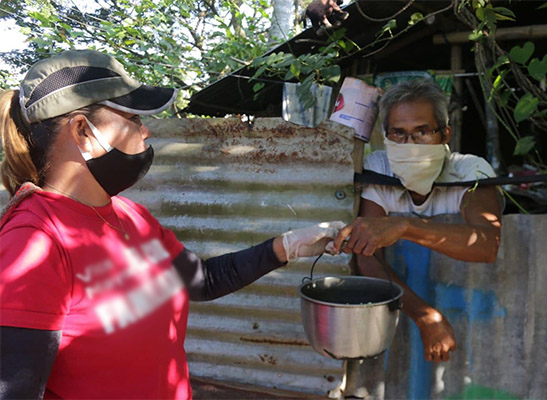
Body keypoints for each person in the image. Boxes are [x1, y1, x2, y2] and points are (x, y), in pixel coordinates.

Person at [0, 49, 344, 399]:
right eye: (133, 117)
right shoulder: (35, 241)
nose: (146, 130)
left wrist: (288, 246)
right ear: (82, 130)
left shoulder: (131, 216)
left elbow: (202, 280)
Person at [332, 78, 503, 363]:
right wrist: (425, 316)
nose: (409, 144)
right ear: (385, 136)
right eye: (398, 133)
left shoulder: (470, 170)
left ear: (445, 134)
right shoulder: (378, 168)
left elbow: (486, 245)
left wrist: (406, 226)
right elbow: (368, 256)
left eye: (422, 131)